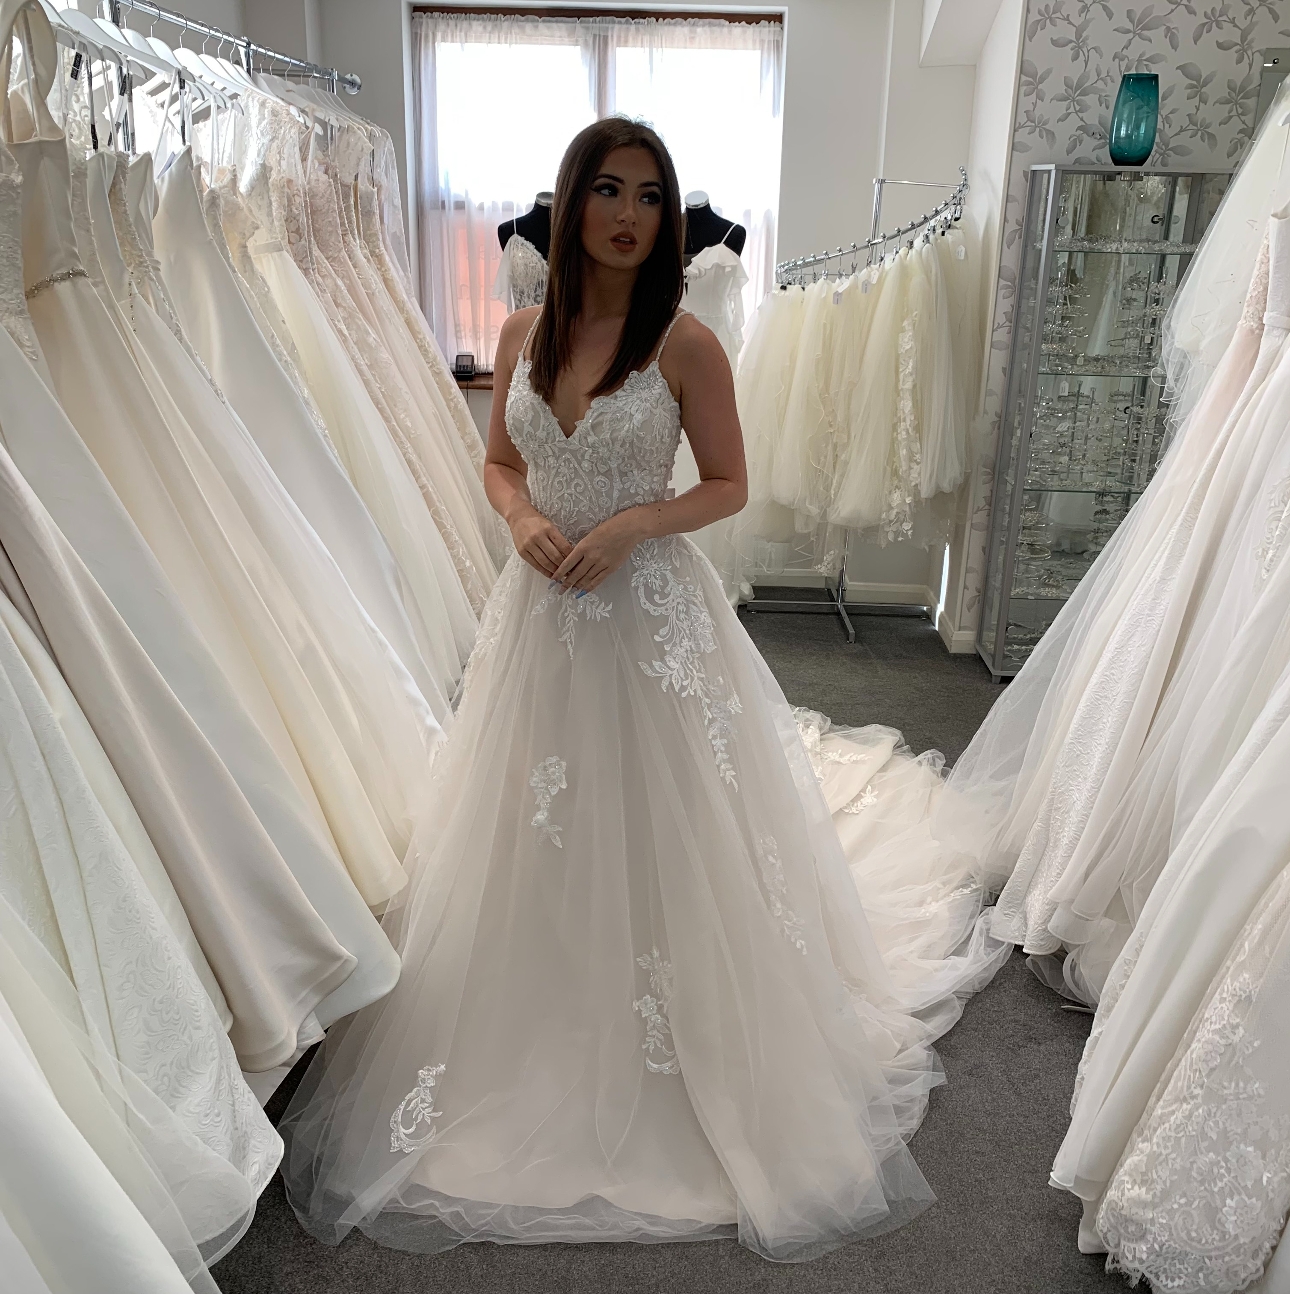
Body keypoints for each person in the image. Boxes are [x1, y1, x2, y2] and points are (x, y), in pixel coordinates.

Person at [281, 116, 1002, 1263]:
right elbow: (499, 458)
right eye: (608, 190)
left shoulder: (686, 342)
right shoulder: (521, 328)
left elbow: (727, 484)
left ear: (668, 219)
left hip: (648, 617)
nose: (628, 213)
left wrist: (631, 527)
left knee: (673, 829)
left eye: (651, 196)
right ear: (569, 207)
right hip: (536, 620)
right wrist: (518, 517)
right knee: (525, 828)